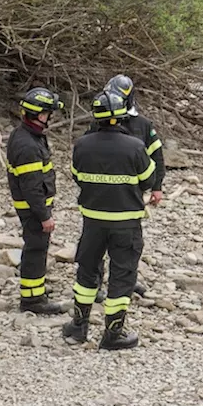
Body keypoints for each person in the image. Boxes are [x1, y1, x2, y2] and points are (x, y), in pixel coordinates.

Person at [62, 90, 156, 350]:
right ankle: (113, 335)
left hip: (92, 221)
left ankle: (78, 327)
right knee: (122, 276)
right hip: (126, 223)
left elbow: (78, 176)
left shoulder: (82, 145)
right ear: (121, 118)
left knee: (87, 272)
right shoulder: (135, 147)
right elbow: (148, 179)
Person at [87, 74, 161, 302]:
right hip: (101, 196)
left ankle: (126, 282)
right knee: (97, 247)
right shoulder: (96, 126)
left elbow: (156, 156)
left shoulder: (142, 125)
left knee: (128, 247)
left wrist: (157, 187)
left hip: (130, 197)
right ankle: (95, 284)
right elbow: (86, 158)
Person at [5, 88, 65, 315]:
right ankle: (32, 300)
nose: (50, 117)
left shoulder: (26, 136)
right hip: (33, 208)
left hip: (33, 206)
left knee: (37, 248)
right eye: (48, 113)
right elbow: (31, 187)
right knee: (36, 249)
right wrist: (44, 215)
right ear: (39, 115)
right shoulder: (28, 145)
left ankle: (36, 291)